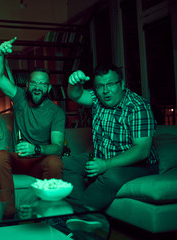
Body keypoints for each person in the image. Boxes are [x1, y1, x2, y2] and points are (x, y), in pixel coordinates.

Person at [63, 64, 159, 230]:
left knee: (112, 175)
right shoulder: (98, 99)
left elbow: (141, 151)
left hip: (138, 164)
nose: (105, 90)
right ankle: (86, 215)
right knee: (66, 165)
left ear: (121, 84)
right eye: (100, 86)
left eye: (111, 84)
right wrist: (74, 82)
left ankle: (74, 218)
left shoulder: (137, 106)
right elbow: (75, 94)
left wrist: (105, 165)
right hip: (103, 157)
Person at [0, 37, 66, 218]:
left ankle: (48, 213)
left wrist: (36, 148)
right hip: (17, 158)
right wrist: (0, 54)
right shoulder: (20, 97)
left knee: (55, 161)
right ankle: (8, 215)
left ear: (48, 88)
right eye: (34, 83)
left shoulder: (56, 112)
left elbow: (58, 147)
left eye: (42, 84)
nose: (37, 87)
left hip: (39, 161)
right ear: (27, 85)